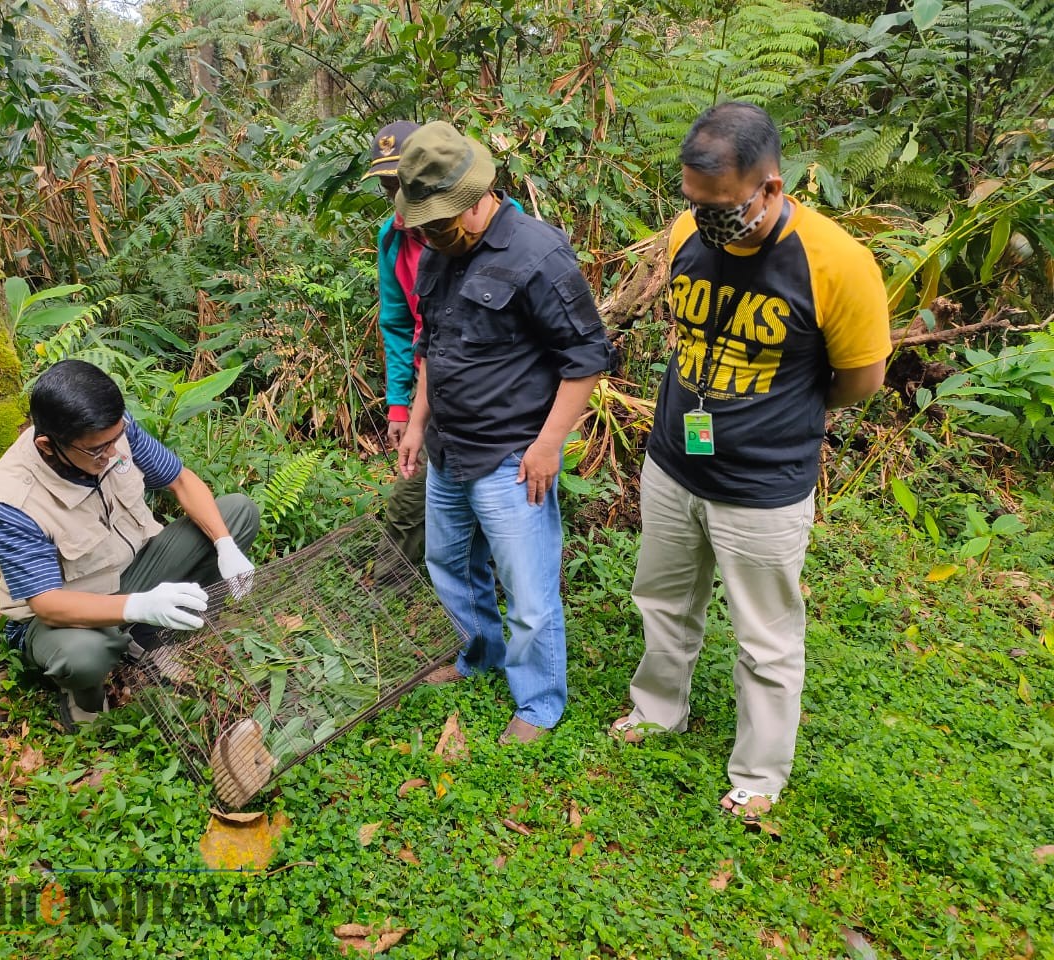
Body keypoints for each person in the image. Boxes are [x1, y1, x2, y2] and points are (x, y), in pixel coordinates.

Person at [609, 102, 890, 822]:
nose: (706, 220)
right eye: (695, 204)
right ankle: (656, 708)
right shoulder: (685, 233)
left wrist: (784, 417)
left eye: (723, 207)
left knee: (764, 637)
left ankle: (760, 774)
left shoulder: (838, 264)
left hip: (763, 485)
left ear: (771, 186)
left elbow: (860, 379)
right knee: (663, 599)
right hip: (675, 461)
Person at [394, 121, 616, 745]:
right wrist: (417, 421)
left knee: (528, 590)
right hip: (448, 450)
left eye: (439, 221)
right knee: (449, 566)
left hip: (511, 457)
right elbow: (432, 344)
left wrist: (548, 446)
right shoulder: (440, 250)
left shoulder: (538, 254)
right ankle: (478, 654)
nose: (430, 235)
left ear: (475, 200)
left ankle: (539, 704)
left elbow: (586, 357)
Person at [0, 359, 260, 730]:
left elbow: (181, 481)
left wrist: (225, 546)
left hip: (133, 569)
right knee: (85, 655)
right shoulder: (10, 502)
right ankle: (83, 698)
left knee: (236, 514)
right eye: (97, 450)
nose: (111, 453)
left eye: (115, 439)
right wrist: (140, 604)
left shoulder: (111, 433)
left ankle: (148, 640)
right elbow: (47, 605)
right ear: (48, 445)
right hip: (65, 615)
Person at [360, 120, 428, 565]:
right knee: (419, 481)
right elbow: (399, 325)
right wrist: (401, 406)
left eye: (400, 181)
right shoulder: (393, 239)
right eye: (387, 184)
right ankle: (395, 573)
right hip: (431, 379)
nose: (394, 194)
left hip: (492, 389)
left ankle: (391, 575)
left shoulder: (489, 226)